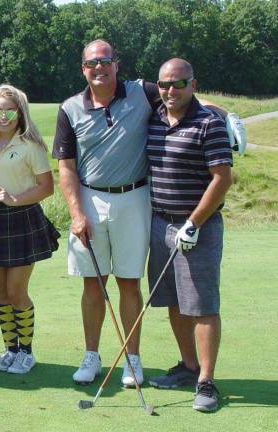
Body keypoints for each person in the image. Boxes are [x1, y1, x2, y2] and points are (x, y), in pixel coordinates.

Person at [53, 39, 161, 387]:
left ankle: (132, 359)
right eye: (90, 63)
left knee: (129, 281)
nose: (98, 68)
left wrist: (223, 115)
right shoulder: (70, 108)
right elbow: (66, 167)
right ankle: (91, 355)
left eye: (105, 61)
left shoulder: (142, 92)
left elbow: (181, 98)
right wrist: (76, 213)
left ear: (116, 64)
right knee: (93, 282)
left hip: (135, 196)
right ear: (82, 68)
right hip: (90, 199)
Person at [146, 58, 232, 412]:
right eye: (164, 84)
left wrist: (193, 223)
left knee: (202, 306)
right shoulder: (154, 115)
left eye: (178, 84)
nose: (170, 90)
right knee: (174, 301)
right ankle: (188, 365)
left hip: (198, 226)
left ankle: (207, 382)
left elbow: (222, 178)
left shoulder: (209, 123)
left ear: (193, 85)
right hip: (159, 223)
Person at [0, 84, 60, 374]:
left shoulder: (30, 145)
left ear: (19, 112)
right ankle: (10, 350)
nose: (3, 116)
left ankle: (26, 351)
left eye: (9, 110)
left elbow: (46, 187)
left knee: (16, 291)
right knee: (1, 293)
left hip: (23, 218)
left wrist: (15, 199)